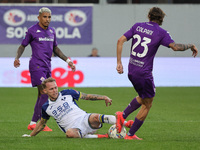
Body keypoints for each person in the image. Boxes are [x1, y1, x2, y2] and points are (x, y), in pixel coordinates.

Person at [115, 7, 198, 140]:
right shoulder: (161, 32)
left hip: (132, 69)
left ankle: (122, 115)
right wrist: (190, 45)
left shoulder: (137, 26)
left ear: (149, 16)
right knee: (148, 103)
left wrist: (119, 63)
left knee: (143, 97)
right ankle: (130, 135)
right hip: (144, 73)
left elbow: (120, 41)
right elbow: (175, 47)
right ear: (161, 19)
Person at [13, 7, 76, 131]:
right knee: (44, 92)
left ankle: (34, 123)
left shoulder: (52, 31)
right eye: (45, 17)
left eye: (49, 17)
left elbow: (56, 49)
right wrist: (17, 58)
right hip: (36, 65)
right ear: (39, 17)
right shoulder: (32, 30)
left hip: (47, 66)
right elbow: (22, 46)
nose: (47, 19)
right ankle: (36, 123)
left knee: (41, 95)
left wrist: (68, 61)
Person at [22, 77, 139, 139]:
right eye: (51, 89)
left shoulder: (68, 93)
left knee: (95, 116)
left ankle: (126, 122)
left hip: (85, 119)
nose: (55, 91)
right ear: (45, 91)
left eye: (56, 87)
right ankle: (103, 136)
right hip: (74, 129)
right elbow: (41, 123)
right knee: (69, 134)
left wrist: (104, 97)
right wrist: (30, 135)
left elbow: (87, 97)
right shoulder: (46, 107)